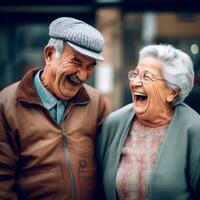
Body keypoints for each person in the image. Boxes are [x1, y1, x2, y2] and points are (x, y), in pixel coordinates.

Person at [0, 17, 109, 200]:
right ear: (50, 54)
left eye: (90, 66)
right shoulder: (7, 104)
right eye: (76, 62)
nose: (83, 75)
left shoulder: (96, 102)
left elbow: (107, 165)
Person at [96, 44, 200, 200]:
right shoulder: (113, 124)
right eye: (136, 74)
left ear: (172, 92)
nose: (135, 82)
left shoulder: (194, 129)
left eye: (146, 77)